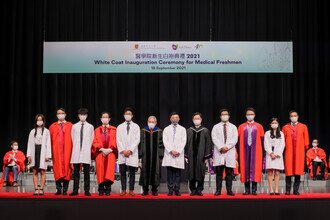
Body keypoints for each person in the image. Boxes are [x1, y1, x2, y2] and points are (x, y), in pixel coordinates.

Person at [238, 107, 264, 195]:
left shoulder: (259, 126)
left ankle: (254, 190)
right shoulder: (241, 126)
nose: (250, 116)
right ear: (246, 115)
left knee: (255, 168)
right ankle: (247, 190)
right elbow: (238, 140)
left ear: (254, 115)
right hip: (244, 150)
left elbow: (262, 140)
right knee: (245, 168)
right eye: (248, 114)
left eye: (251, 114)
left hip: (256, 150)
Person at [211, 109, 238, 196]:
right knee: (219, 173)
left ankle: (229, 190)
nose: (224, 116)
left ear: (229, 116)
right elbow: (214, 138)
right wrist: (221, 147)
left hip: (229, 152)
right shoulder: (216, 127)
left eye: (226, 114)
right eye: (222, 114)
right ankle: (218, 190)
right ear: (220, 116)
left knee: (229, 173)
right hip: (219, 152)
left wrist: (227, 147)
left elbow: (235, 139)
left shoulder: (233, 127)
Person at [282, 110, 309, 195]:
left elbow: (306, 140)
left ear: (297, 117)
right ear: (290, 117)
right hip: (288, 152)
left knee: (298, 171)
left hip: (299, 152)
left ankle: (296, 190)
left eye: (295, 115)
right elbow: (282, 141)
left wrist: (305, 147)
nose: (294, 117)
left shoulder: (303, 127)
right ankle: (287, 190)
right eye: (292, 116)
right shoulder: (285, 127)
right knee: (288, 172)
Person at [185, 112, 212, 196]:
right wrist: (186, 155)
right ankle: (193, 190)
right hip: (191, 155)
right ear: (193, 120)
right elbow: (185, 143)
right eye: (195, 119)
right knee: (191, 172)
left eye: (198, 119)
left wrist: (207, 156)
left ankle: (199, 189)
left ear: (201, 120)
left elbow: (208, 143)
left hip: (201, 156)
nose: (197, 120)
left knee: (201, 172)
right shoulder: (188, 130)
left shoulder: (205, 130)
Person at [70, 108, 94, 196]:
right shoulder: (74, 126)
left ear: (86, 116)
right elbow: (73, 138)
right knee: (76, 173)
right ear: (78, 115)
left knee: (86, 173)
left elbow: (92, 139)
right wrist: (78, 147)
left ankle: (87, 190)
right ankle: (75, 190)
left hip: (86, 152)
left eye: (84, 115)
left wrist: (86, 148)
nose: (82, 116)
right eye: (81, 114)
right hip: (76, 151)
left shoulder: (90, 126)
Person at [92, 112, 117, 196]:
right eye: (103, 117)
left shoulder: (114, 129)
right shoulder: (96, 130)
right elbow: (94, 141)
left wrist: (110, 149)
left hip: (110, 153)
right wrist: (102, 149)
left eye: (106, 117)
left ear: (109, 119)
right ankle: (101, 189)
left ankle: (108, 189)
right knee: (100, 171)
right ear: (101, 119)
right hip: (100, 153)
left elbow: (116, 141)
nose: (105, 119)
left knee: (109, 171)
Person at [117, 107, 140, 196]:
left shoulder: (136, 126)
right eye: (126, 114)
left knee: (132, 173)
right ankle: (123, 189)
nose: (128, 116)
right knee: (122, 172)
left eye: (129, 114)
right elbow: (118, 139)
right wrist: (123, 150)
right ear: (124, 115)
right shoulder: (120, 126)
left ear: (132, 116)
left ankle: (131, 189)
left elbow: (137, 139)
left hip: (132, 153)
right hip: (123, 153)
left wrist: (130, 150)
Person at [49, 108, 73, 195]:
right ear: (56, 115)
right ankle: (58, 189)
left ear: (65, 114)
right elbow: (49, 141)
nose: (61, 114)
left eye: (62, 113)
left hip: (67, 151)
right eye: (59, 113)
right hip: (56, 152)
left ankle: (65, 190)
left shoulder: (70, 125)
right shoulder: (52, 126)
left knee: (67, 170)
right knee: (57, 169)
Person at [162, 112, 187, 196]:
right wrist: (171, 150)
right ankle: (170, 189)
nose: (175, 119)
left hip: (178, 154)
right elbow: (165, 141)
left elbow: (184, 141)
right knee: (169, 173)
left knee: (177, 173)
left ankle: (177, 189)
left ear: (179, 119)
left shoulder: (182, 129)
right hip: (170, 154)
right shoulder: (166, 129)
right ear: (170, 119)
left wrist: (178, 151)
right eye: (173, 117)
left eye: (176, 117)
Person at [139, 116, 164, 196]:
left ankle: (154, 189)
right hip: (145, 156)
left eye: (153, 122)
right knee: (144, 171)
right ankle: (145, 190)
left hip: (156, 156)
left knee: (155, 171)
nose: (151, 123)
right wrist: (140, 155)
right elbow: (140, 143)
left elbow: (161, 144)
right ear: (147, 122)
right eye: (150, 121)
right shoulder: (142, 131)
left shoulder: (159, 131)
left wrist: (161, 156)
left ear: (156, 123)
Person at [27, 114, 51, 195]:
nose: (39, 121)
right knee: (35, 171)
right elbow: (29, 144)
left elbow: (48, 144)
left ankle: (41, 188)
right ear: (36, 121)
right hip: (35, 151)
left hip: (43, 151)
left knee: (43, 171)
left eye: (41, 120)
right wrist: (29, 155)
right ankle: (36, 188)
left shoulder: (47, 131)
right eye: (38, 120)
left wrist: (48, 155)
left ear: (43, 121)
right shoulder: (32, 131)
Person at [264, 118, 285, 195]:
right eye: (273, 123)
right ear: (270, 124)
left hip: (278, 156)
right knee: (270, 172)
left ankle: (276, 189)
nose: (274, 124)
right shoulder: (267, 133)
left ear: (278, 124)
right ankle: (271, 190)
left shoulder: (281, 133)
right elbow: (266, 144)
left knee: (277, 172)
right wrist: (271, 153)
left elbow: (282, 144)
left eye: (275, 123)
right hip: (270, 155)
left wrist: (277, 154)